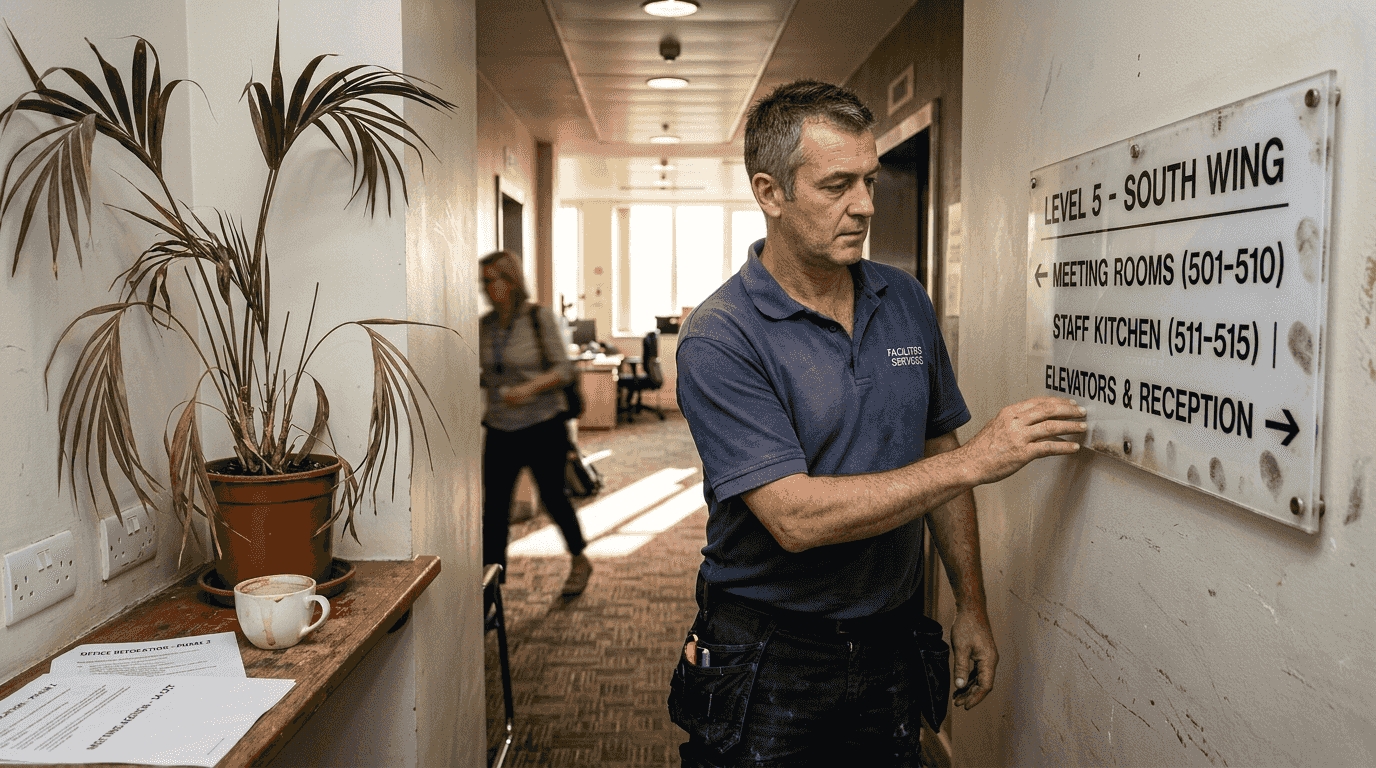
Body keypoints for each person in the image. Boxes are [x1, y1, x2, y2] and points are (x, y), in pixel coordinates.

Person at [668, 81, 1088, 767]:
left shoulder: (904, 300)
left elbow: (937, 451)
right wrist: (981, 459)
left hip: (891, 637)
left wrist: (970, 607)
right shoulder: (722, 337)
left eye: (869, 180)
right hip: (769, 653)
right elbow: (795, 518)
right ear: (770, 193)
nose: (865, 205)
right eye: (837, 185)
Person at [479, 250, 593, 596]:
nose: (484, 289)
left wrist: (526, 388)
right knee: (494, 511)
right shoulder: (484, 325)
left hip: (543, 425)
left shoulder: (538, 318)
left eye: (490, 281)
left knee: (553, 497)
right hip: (500, 427)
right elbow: (490, 371)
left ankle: (579, 558)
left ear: (511, 282)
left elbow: (564, 370)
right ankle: (491, 591)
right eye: (482, 282)